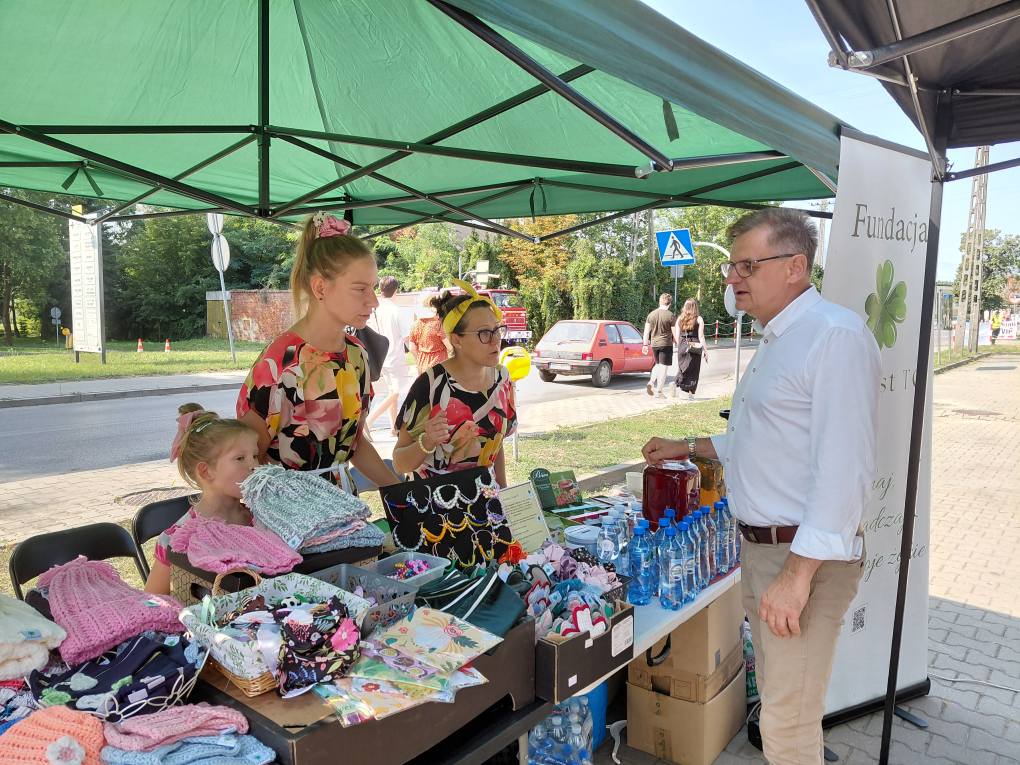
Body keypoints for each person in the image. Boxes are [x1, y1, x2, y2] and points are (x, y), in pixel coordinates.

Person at [641, 208, 880, 764]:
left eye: (747, 265)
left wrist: (796, 578)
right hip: (763, 549)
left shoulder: (834, 336)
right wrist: (686, 446)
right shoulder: (777, 337)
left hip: (801, 559)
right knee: (779, 702)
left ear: (796, 266)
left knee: (787, 724)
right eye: (732, 266)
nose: (732, 278)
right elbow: (758, 440)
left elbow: (844, 470)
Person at [237, 212, 397, 493]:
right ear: (320, 287)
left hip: (345, 508)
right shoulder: (280, 363)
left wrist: (402, 493)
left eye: (372, 288)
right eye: (360, 289)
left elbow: (355, 444)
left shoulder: (356, 354)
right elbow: (246, 462)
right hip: (289, 511)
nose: (373, 301)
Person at [393, 281, 516, 487]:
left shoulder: (502, 378)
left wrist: (503, 491)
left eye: (497, 330)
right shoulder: (431, 384)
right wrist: (428, 441)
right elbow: (399, 463)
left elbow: (496, 443)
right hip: (436, 501)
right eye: (484, 333)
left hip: (486, 498)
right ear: (457, 340)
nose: (496, 340)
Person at [145, 404, 259, 595]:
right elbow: (153, 599)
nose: (254, 465)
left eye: (255, 456)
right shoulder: (178, 540)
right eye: (240, 458)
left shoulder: (261, 519)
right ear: (206, 471)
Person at [365, 276, 412, 437]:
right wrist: (415, 353)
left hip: (381, 357)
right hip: (395, 357)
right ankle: (369, 421)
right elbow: (406, 337)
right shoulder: (396, 310)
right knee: (396, 392)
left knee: (393, 391)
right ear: (396, 291)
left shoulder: (375, 310)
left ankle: (393, 427)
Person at [673, 297, 709, 399]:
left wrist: (681, 346)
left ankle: (676, 384)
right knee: (694, 370)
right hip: (695, 347)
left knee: (682, 368)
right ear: (695, 307)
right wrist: (705, 350)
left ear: (685, 307)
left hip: (682, 345)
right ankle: (690, 394)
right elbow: (701, 336)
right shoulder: (699, 319)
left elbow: (677, 336)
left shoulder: (679, 319)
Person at [642, 293, 675, 397]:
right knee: (664, 368)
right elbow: (674, 333)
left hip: (654, 344)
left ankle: (651, 382)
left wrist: (645, 345)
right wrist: (679, 343)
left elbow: (646, 332)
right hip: (666, 344)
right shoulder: (670, 315)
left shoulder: (651, 315)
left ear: (660, 301)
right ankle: (659, 392)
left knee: (657, 364)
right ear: (669, 303)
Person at [407, 293, 450, 373]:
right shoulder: (437, 325)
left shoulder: (414, 325)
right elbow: (450, 346)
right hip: (439, 365)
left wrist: (419, 360)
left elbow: (412, 348)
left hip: (422, 365)